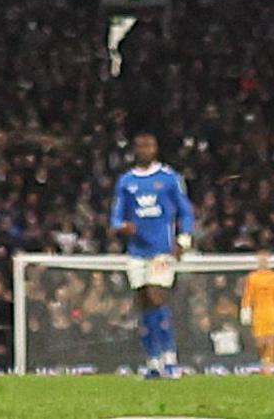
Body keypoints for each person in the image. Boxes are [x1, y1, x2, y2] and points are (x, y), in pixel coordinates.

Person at [108, 130, 195, 377]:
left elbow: (186, 211)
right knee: (143, 305)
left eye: (149, 145)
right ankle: (152, 362)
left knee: (158, 298)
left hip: (161, 250)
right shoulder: (126, 181)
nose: (145, 149)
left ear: (155, 148)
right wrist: (122, 226)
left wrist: (183, 239)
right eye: (140, 145)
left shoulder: (169, 178)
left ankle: (170, 359)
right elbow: (116, 216)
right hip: (136, 251)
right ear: (135, 149)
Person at [242, 255, 274, 373]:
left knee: (271, 338)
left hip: (272, 311)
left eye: (265, 260)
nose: (263, 262)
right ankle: (264, 360)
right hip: (258, 312)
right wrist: (246, 309)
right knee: (260, 341)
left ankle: (270, 365)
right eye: (261, 260)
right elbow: (248, 294)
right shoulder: (252, 277)